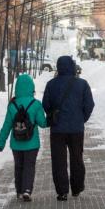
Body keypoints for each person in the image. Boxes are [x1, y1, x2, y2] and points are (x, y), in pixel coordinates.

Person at [42, 55, 95, 201]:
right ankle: (77, 188)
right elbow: (89, 105)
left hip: (57, 129)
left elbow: (45, 104)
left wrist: (53, 114)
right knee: (77, 158)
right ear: (72, 67)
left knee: (58, 160)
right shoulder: (82, 84)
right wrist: (81, 119)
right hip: (76, 129)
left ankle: (62, 191)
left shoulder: (51, 84)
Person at [0, 73, 48, 202]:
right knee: (29, 166)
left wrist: (0, 143)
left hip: (16, 143)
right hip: (32, 143)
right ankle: (27, 190)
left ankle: (19, 191)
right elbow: (43, 123)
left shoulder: (12, 105)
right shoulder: (36, 104)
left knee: (18, 166)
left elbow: (6, 126)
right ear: (31, 87)